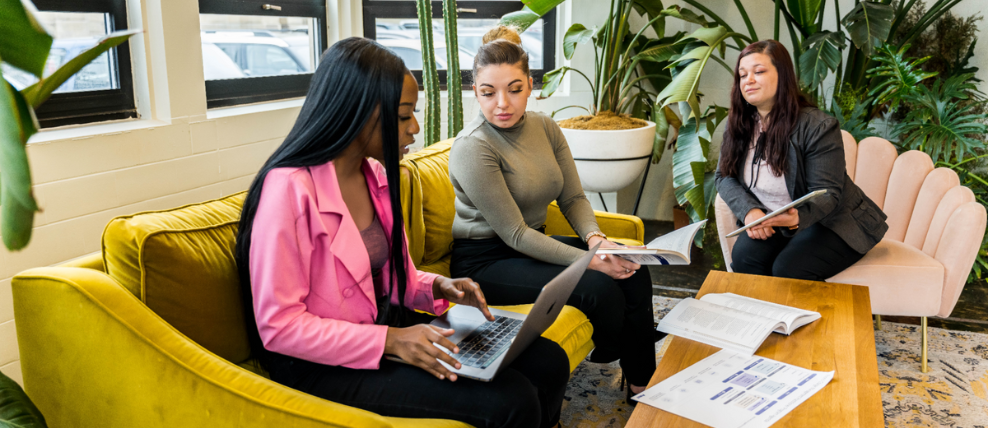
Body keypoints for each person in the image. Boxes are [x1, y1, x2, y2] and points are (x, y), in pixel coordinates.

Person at [234, 37, 570, 428]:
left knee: (548, 361)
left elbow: (389, 278)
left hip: (385, 326)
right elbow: (280, 327)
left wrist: (437, 287)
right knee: (512, 401)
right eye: (403, 115)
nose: (415, 127)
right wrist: (391, 341)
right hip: (321, 364)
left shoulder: (375, 174)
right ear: (356, 112)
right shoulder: (287, 191)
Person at [448, 27, 657, 398]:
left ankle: (643, 383)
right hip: (486, 260)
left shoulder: (545, 126)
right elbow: (514, 234)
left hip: (534, 242)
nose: (502, 103)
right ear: (475, 92)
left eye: (514, 89)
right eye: (488, 92)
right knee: (599, 288)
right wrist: (589, 261)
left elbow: (573, 196)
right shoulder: (473, 147)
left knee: (634, 271)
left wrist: (596, 240)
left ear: (531, 85)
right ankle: (615, 347)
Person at [715, 40, 888, 280]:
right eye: (742, 75)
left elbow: (827, 193)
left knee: (789, 268)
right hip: (773, 218)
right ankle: (762, 317)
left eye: (759, 71)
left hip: (832, 221)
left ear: (783, 76)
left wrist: (797, 218)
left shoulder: (818, 126)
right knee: (745, 258)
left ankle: (805, 318)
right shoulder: (738, 124)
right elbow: (724, 176)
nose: (748, 80)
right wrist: (750, 211)